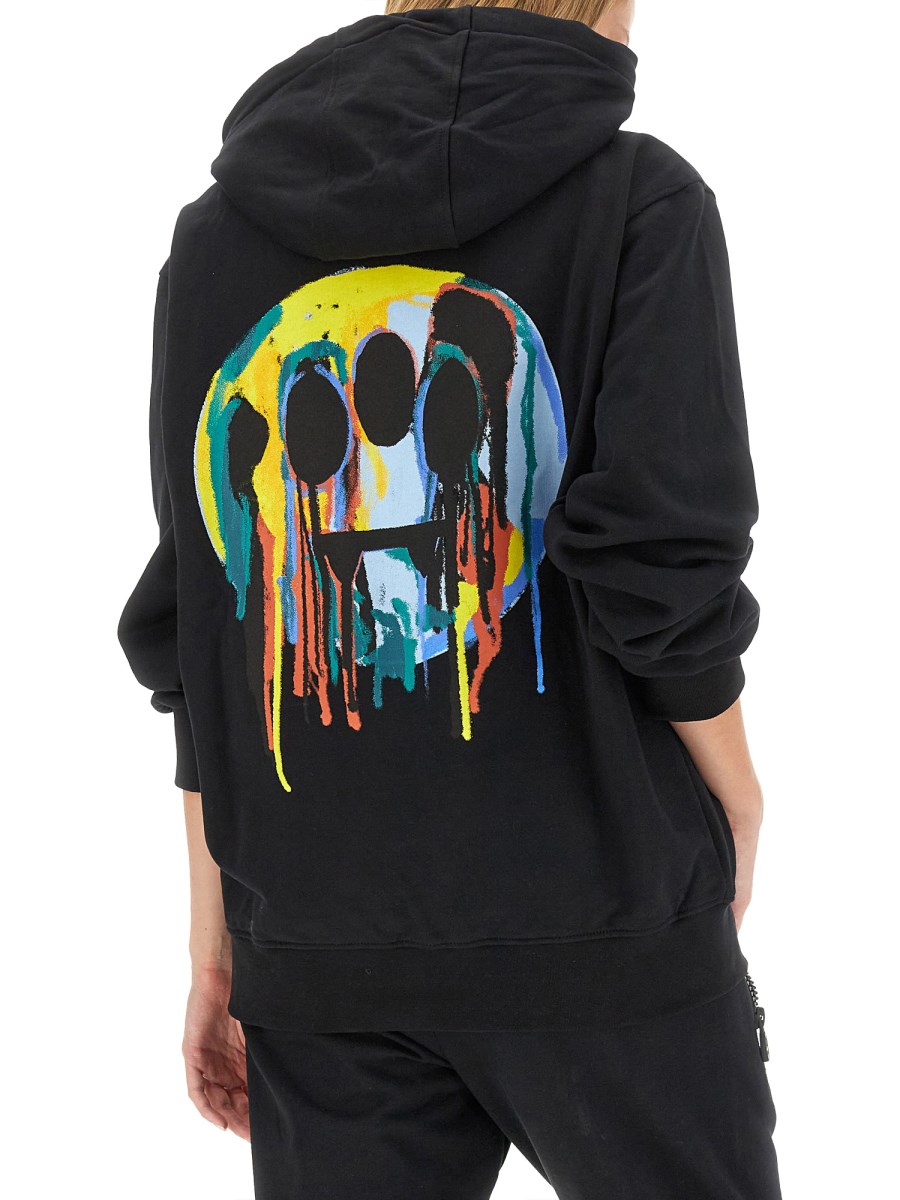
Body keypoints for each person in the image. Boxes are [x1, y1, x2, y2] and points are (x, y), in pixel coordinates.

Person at [117, 0, 782, 1195]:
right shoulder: (639, 202)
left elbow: (212, 610)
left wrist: (218, 939)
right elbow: (660, 560)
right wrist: (738, 794)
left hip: (320, 946)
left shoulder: (214, 240)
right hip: (606, 921)